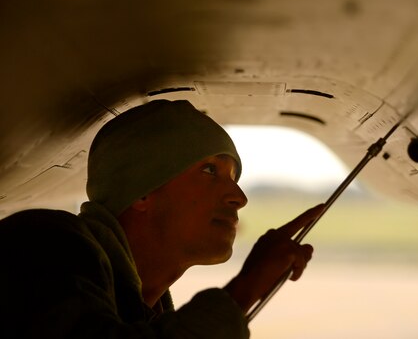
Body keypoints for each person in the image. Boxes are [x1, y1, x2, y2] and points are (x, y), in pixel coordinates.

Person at [0, 99, 323, 338]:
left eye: (234, 176)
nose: (239, 197)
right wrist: (243, 291)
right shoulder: (43, 246)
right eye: (210, 170)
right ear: (142, 191)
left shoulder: (145, 313)